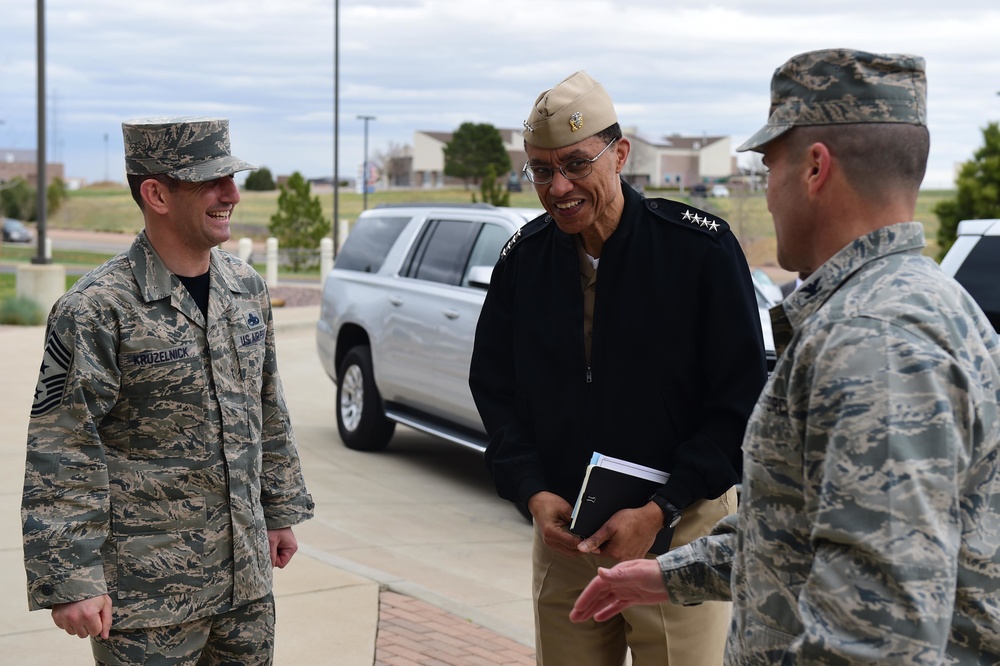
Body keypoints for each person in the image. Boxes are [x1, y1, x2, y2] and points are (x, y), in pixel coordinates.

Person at [570, 49, 1000, 663]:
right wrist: (666, 574)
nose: (766, 192)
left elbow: (877, 639)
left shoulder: (872, 342)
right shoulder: (913, 303)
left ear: (815, 169)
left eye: (769, 166)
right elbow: (800, 526)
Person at [469, 71, 768, 665]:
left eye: (577, 164)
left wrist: (663, 507)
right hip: (567, 538)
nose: (558, 187)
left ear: (620, 153)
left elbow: (740, 400)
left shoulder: (699, 253)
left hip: (682, 535)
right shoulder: (523, 261)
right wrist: (531, 491)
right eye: (541, 170)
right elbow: (494, 389)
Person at [21, 116, 315, 664]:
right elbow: (63, 446)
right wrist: (70, 577)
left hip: (244, 585)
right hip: (147, 599)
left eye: (231, 178)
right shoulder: (96, 309)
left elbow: (267, 407)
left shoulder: (246, 288)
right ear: (156, 193)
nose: (231, 194)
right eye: (210, 180)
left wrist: (279, 508)